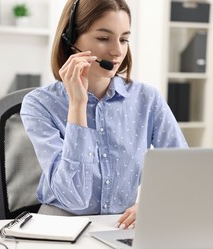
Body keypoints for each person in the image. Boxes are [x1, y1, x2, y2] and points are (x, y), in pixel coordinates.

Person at [20, 0, 188, 229]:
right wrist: (77, 105)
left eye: (124, 39)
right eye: (103, 38)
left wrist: (154, 203)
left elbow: (182, 169)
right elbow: (73, 197)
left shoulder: (147, 99)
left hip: (119, 225)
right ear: (71, 40)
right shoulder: (39, 104)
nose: (117, 51)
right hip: (59, 226)